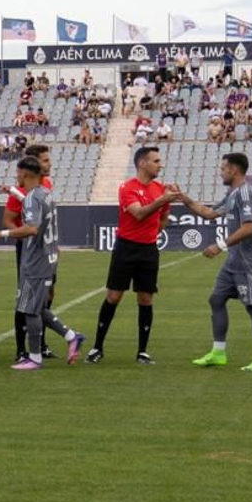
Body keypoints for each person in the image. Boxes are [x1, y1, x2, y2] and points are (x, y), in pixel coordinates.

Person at [86, 146, 181, 364]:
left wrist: (154, 230)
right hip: (125, 248)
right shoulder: (128, 188)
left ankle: (142, 351)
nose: (160, 165)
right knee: (114, 296)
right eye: (156, 161)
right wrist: (162, 200)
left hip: (148, 249)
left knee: (146, 298)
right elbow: (138, 213)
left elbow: (164, 218)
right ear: (142, 163)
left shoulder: (159, 188)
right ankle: (97, 347)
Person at [182, 152, 252, 371]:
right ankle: (218, 352)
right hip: (233, 262)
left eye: (223, 168)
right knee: (216, 299)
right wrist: (184, 199)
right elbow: (209, 213)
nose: (220, 172)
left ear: (234, 170)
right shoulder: (232, 193)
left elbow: (249, 227)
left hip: (248, 262)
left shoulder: (244, 194)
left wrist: (220, 245)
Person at [0, 156, 84, 369]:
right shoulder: (44, 193)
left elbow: (32, 228)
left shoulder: (34, 197)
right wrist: (13, 193)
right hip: (46, 256)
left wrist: (2, 233)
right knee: (37, 307)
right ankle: (72, 336)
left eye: (18, 173)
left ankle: (35, 357)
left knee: (29, 310)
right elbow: (30, 204)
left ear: (25, 173)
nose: (17, 176)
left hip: (36, 260)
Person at [5, 144, 55, 362]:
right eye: (45, 160)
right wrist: (18, 235)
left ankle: (40, 344)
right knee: (25, 297)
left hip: (46, 249)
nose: (49, 164)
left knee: (46, 296)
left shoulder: (45, 187)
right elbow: (8, 219)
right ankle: (21, 349)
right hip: (29, 249)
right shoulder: (24, 191)